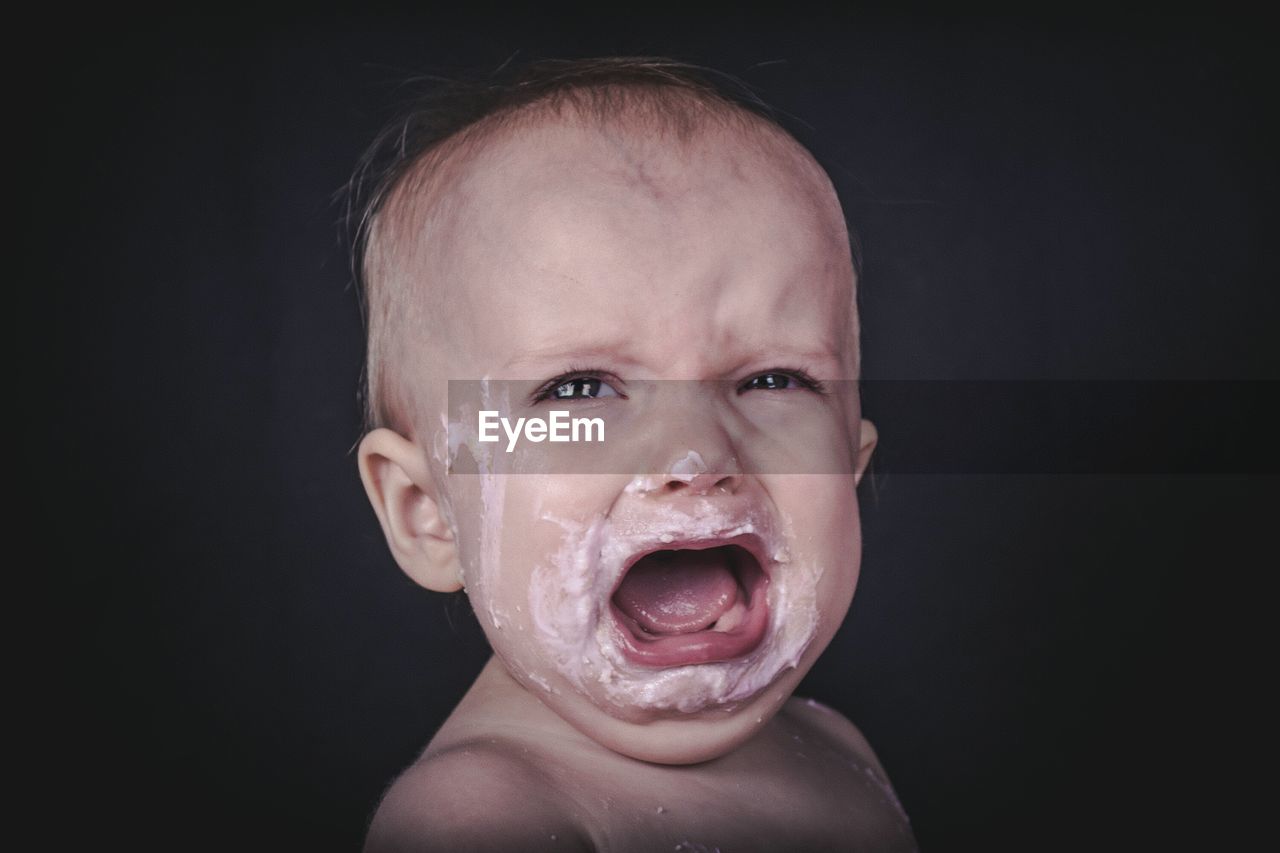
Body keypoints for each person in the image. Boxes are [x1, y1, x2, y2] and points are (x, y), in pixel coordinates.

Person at [350, 56, 916, 852]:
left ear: (849, 471)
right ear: (430, 512)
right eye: (579, 390)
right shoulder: (484, 818)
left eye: (772, 378)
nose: (693, 452)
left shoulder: (840, 748)